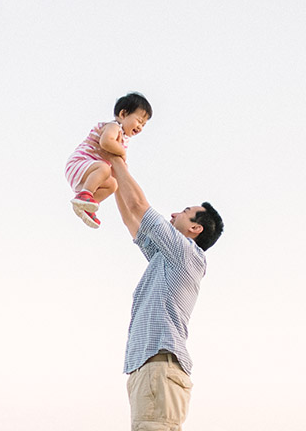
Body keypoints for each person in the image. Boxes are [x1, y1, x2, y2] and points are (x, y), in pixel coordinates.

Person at [105, 152, 224, 431]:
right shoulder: (167, 256)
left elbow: (139, 205)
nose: (172, 214)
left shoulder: (185, 253)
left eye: (183, 212)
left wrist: (114, 155)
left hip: (159, 366)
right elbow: (131, 219)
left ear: (195, 228)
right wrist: (112, 174)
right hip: (151, 369)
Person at [65, 92, 152, 229]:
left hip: (89, 172)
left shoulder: (122, 137)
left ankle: (87, 205)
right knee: (104, 169)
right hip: (80, 163)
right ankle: (84, 194)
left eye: (144, 125)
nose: (140, 127)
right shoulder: (114, 126)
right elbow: (106, 142)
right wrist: (122, 153)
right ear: (123, 114)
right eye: (139, 121)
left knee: (113, 184)